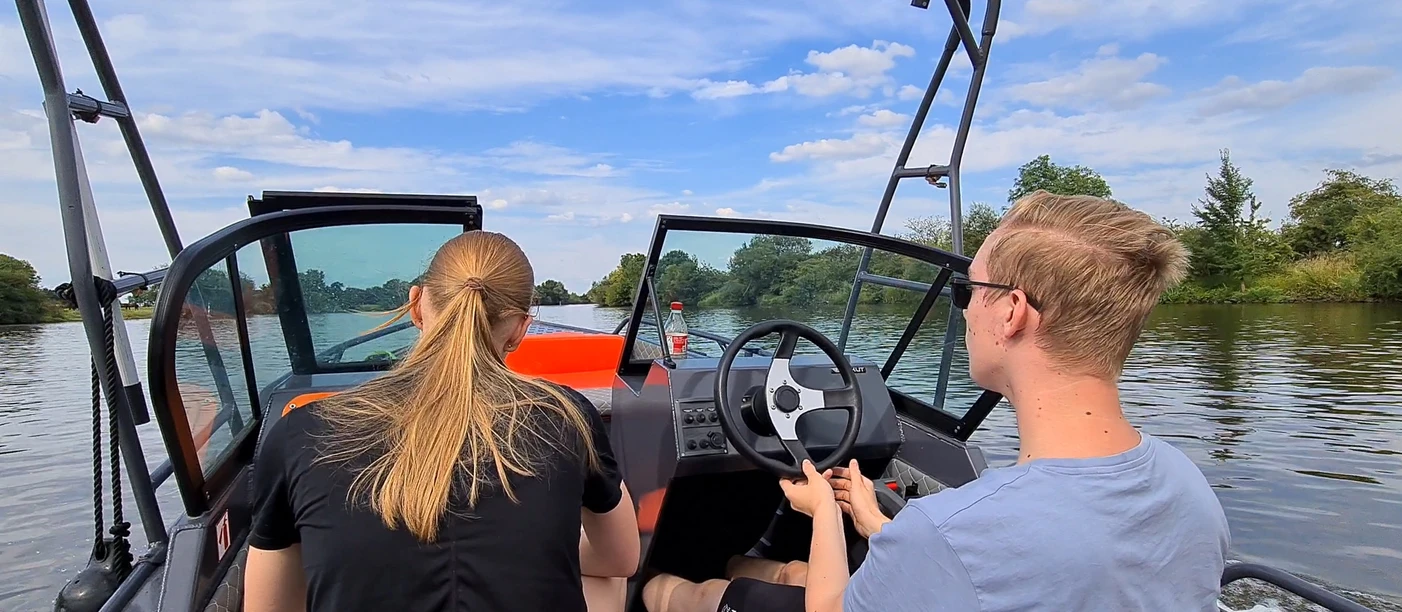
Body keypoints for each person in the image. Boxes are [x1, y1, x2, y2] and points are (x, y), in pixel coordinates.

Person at [643, 191, 1232, 612]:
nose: (966, 308)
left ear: (1010, 311)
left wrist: (825, 512)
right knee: (780, 570)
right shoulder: (1190, 488)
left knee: (671, 590)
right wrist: (881, 526)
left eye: (966, 291)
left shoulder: (953, 532)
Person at [243, 231, 641, 612]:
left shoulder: (302, 431)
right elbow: (621, 558)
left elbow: (268, 604)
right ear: (521, 329)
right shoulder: (566, 417)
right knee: (607, 578)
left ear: (416, 305)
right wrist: (551, 543)